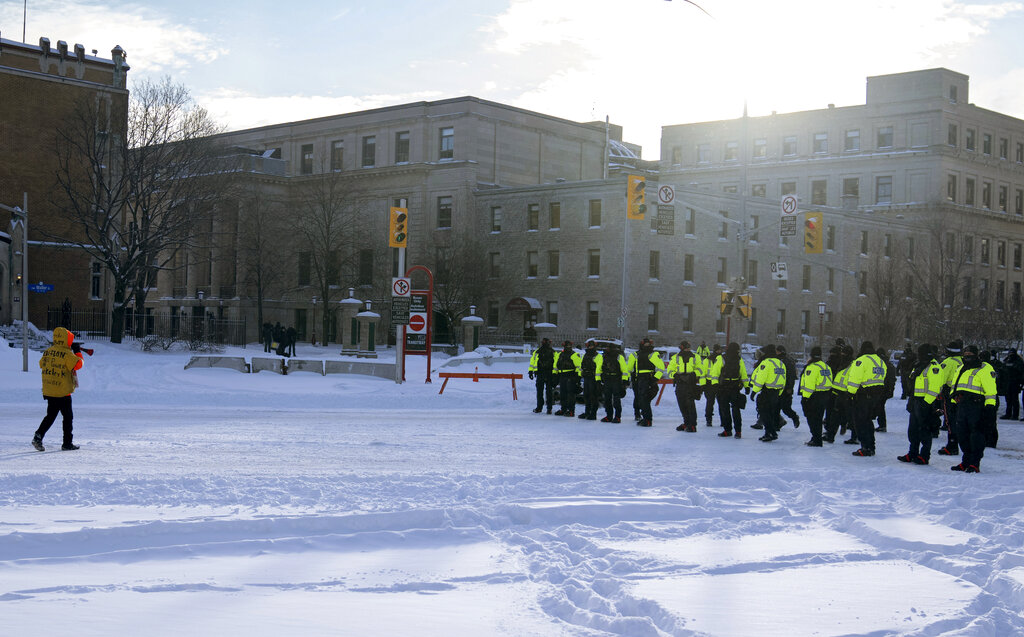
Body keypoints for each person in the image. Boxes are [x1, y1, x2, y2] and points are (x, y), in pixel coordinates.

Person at [32, 327, 84, 452]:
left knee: (50, 416)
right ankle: (67, 443)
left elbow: (41, 364)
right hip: (63, 392)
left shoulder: (48, 351)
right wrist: (77, 352)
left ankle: (38, 436)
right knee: (67, 417)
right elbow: (79, 364)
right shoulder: (67, 354)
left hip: (50, 390)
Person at [950, 345, 997, 473]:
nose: (967, 356)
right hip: (962, 406)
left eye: (970, 354)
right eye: (965, 354)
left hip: (977, 407)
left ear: (976, 355)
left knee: (976, 436)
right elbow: (954, 386)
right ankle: (965, 462)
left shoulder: (985, 368)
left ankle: (974, 463)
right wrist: (953, 400)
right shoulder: (961, 367)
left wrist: (990, 407)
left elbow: (991, 390)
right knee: (962, 435)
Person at [899, 344, 944, 465]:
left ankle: (924, 456)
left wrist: (926, 403)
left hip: (925, 402)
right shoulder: (918, 365)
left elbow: (935, 388)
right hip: (915, 400)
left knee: (924, 430)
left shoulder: (934, 367)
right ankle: (912, 453)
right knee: (913, 430)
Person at [847, 341, 887, 457]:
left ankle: (865, 447)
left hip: (863, 395)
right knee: (868, 421)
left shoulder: (861, 360)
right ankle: (871, 446)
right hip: (876, 396)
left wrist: (850, 394)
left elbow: (855, 378)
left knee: (860, 422)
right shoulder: (880, 361)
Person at [750, 344, 786, 442]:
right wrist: (780, 392)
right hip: (776, 392)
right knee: (770, 413)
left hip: (767, 391)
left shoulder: (766, 363)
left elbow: (761, 379)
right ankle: (769, 433)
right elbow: (783, 379)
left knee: (764, 413)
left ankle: (771, 433)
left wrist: (754, 391)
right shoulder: (780, 363)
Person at [712, 342, 749, 438]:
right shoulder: (738, 359)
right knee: (735, 410)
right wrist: (746, 386)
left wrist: (715, 385)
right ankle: (738, 432)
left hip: (724, 387)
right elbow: (743, 374)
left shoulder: (721, 358)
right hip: (734, 387)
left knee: (725, 410)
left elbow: (714, 373)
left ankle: (727, 430)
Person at [799, 346, 833, 446]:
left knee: (812, 418)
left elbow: (809, 385)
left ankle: (816, 439)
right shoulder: (825, 366)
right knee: (818, 418)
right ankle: (817, 438)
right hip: (824, 395)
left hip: (813, 396)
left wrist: (805, 398)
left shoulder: (812, 367)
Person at [667, 341, 702, 432]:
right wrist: (675, 375)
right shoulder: (675, 358)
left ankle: (692, 425)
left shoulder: (696, 357)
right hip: (680, 383)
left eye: (689, 347)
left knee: (690, 404)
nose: (688, 349)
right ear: (682, 348)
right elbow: (670, 370)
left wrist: (694, 375)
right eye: (686, 348)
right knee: (682, 404)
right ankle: (686, 423)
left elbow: (700, 369)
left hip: (690, 383)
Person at [937, 341, 964, 456]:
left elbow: (940, 379)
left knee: (950, 420)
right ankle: (959, 444)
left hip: (950, 394)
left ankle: (952, 446)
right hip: (962, 395)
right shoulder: (963, 361)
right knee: (960, 420)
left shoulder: (948, 362)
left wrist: (938, 392)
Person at [630, 338, 665, 427]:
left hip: (646, 379)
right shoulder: (636, 354)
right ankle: (644, 417)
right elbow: (629, 368)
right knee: (642, 399)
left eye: (647, 344)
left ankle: (647, 419)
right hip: (640, 379)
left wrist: (654, 379)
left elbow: (661, 368)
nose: (646, 346)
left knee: (644, 399)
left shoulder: (652, 355)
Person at [600, 343, 629, 423]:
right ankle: (609, 416)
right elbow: (600, 368)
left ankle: (617, 416)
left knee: (616, 399)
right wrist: (599, 379)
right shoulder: (604, 356)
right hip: (607, 380)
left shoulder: (619, 357)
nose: (607, 349)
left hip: (616, 380)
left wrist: (624, 381)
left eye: (608, 348)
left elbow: (624, 370)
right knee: (607, 399)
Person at [528, 338, 558, 414]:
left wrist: (555, 373)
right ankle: (544, 408)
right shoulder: (538, 352)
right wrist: (531, 371)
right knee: (544, 391)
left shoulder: (551, 352)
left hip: (546, 374)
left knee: (545, 392)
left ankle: (545, 408)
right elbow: (532, 362)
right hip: (543, 374)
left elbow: (555, 364)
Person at [554, 340, 582, 417]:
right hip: (562, 375)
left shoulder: (574, 355)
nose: (568, 347)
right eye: (566, 346)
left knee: (570, 394)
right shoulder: (560, 354)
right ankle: (563, 409)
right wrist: (555, 375)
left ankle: (571, 411)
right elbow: (556, 365)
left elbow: (579, 367)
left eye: (569, 346)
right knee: (563, 394)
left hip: (571, 376)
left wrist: (578, 377)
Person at [578, 340, 603, 421]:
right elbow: (581, 365)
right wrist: (580, 374)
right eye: (590, 346)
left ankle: (593, 413)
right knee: (586, 395)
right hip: (586, 377)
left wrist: (598, 380)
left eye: (592, 346)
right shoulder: (586, 355)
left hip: (593, 378)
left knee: (593, 396)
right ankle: (587, 412)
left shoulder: (598, 356)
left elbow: (599, 368)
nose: (591, 347)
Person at [777, 345, 800, 429]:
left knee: (786, 408)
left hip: (786, 388)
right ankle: (777, 424)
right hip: (778, 387)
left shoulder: (788, 361)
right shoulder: (778, 360)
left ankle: (794, 417)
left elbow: (791, 376)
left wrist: (789, 388)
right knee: (776, 408)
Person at [875, 348, 897, 432]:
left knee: (879, 407)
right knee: (880, 407)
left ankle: (882, 425)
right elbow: (892, 379)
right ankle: (882, 424)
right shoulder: (889, 364)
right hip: (885, 389)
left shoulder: (879, 363)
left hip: (881, 389)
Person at [702, 344, 722, 427]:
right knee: (712, 402)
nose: (719, 351)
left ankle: (720, 420)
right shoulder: (708, 360)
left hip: (716, 384)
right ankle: (709, 420)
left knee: (718, 403)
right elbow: (703, 373)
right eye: (718, 350)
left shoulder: (722, 359)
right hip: (711, 384)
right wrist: (703, 385)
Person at [1000, 349, 1024, 420]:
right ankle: (1008, 414)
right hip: (1007, 382)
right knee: (1008, 400)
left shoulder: (1018, 361)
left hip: (1015, 383)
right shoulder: (1007, 360)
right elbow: (1003, 369)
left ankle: (1015, 415)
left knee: (1014, 400)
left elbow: (1020, 372)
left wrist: (1020, 383)